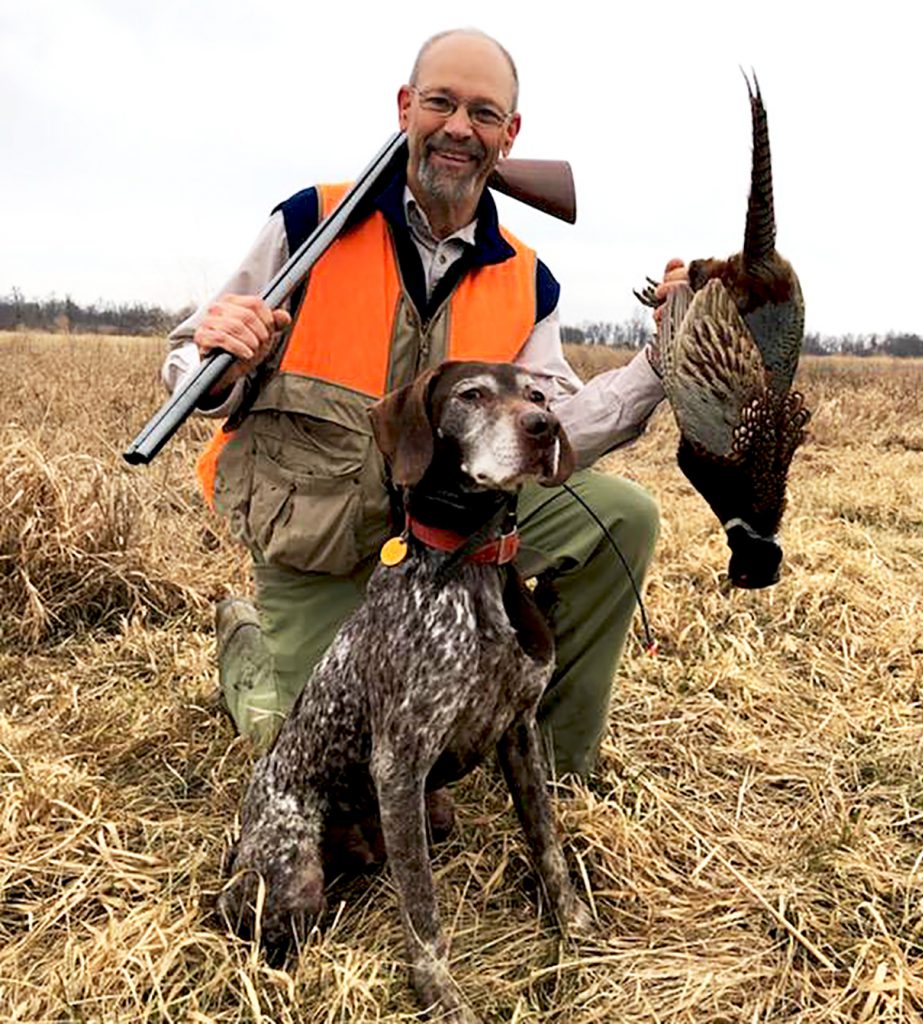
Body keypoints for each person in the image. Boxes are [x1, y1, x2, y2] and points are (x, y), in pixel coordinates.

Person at [163, 28, 678, 778]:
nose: (460, 128)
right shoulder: (312, 224)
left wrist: (663, 358)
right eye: (440, 103)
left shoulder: (528, 280)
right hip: (324, 533)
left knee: (624, 516)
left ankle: (552, 762)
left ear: (511, 135)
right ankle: (246, 652)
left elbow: (557, 429)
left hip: (454, 525)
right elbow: (189, 366)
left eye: (484, 113)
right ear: (406, 108)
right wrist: (219, 358)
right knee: (320, 761)